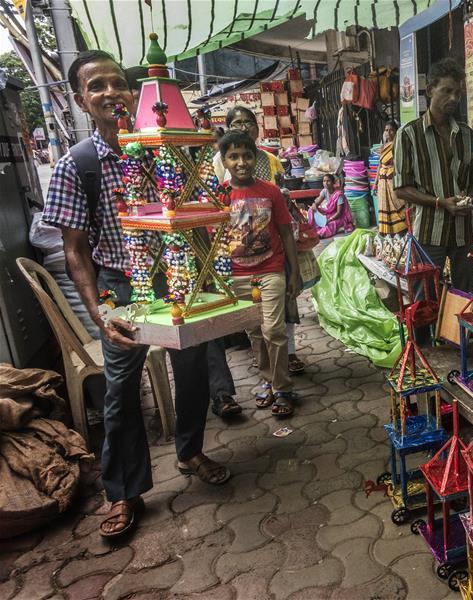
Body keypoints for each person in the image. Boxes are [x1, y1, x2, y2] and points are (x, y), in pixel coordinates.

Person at [43, 50, 230, 539]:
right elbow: (76, 253)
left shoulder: (158, 148)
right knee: (121, 391)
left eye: (117, 84)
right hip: (121, 288)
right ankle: (124, 491)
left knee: (192, 369)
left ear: (133, 93)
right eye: (97, 87)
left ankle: (190, 451)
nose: (110, 93)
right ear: (82, 100)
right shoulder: (76, 166)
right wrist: (102, 313)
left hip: (176, 279)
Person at [219, 130, 299, 418]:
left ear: (255, 157)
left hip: (271, 270)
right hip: (238, 275)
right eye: (233, 156)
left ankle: (283, 388)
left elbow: (287, 233)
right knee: (254, 331)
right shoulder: (221, 196)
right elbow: (215, 237)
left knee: (274, 330)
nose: (241, 162)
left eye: (247, 155)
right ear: (225, 161)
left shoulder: (271, 191)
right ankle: (266, 380)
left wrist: (294, 272)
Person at [394, 58, 473, 297]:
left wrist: (469, 199)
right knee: (425, 300)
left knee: (465, 299)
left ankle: (456, 337)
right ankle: (427, 337)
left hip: (465, 233)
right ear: (430, 90)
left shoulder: (466, 135)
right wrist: (440, 203)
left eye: (457, 93)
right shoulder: (409, 135)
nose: (454, 98)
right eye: (446, 91)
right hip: (429, 233)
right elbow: (401, 188)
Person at [213, 107, 285, 185]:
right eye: (238, 124)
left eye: (249, 123)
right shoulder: (220, 159)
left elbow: (281, 187)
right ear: (228, 131)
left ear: (257, 130)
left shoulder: (271, 159)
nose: (244, 129)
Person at [376, 120, 406, 235]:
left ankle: (401, 228)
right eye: (386, 130)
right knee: (385, 205)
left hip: (392, 179)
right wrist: (375, 183)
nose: (388, 133)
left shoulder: (398, 145)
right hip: (383, 181)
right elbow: (380, 165)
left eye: (391, 130)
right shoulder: (383, 147)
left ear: (396, 131)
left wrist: (393, 172)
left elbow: (400, 163)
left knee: (396, 203)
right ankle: (388, 231)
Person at [310, 173, 354, 238]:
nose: (326, 183)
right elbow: (317, 203)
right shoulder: (324, 191)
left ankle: (320, 234)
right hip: (330, 214)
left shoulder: (339, 195)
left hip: (339, 217)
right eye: (324, 181)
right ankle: (312, 229)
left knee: (329, 225)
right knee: (311, 210)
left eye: (328, 181)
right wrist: (314, 205)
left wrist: (329, 220)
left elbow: (339, 213)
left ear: (333, 182)